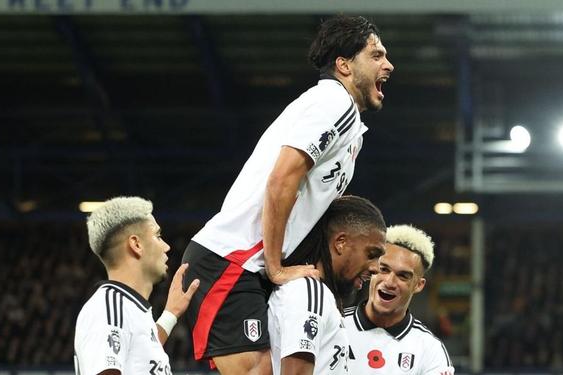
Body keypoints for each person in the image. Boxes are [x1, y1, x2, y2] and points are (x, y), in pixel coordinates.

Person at [181, 15, 394, 374]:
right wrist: (277, 268)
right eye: (375, 55)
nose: (388, 64)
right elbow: (281, 180)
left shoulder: (348, 125)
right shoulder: (333, 103)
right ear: (343, 65)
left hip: (246, 267)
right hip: (232, 260)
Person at [74, 197, 200, 375]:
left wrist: (171, 314)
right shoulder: (108, 308)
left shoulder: (125, 308)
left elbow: (141, 351)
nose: (167, 247)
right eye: (157, 236)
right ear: (136, 244)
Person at [267, 195, 386, 375]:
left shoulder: (322, 297)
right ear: (341, 243)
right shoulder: (309, 293)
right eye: (371, 254)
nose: (376, 268)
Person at [344, 225, 455, 375]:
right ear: (372, 269)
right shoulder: (335, 324)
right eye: (384, 269)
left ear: (418, 285)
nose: (389, 282)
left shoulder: (430, 350)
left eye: (403, 275)